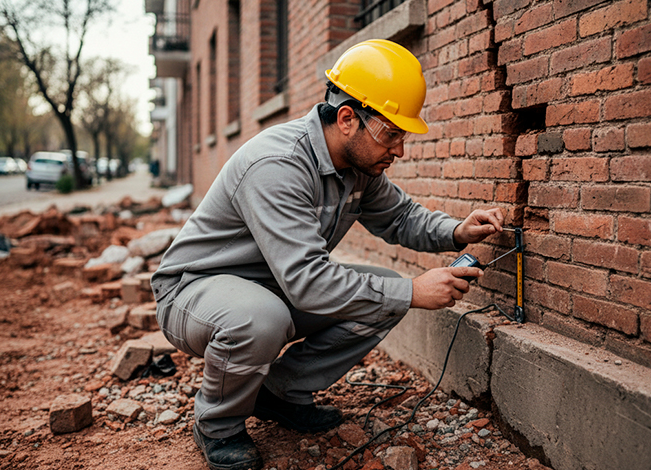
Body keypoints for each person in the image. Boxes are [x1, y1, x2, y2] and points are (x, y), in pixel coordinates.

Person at [151, 39, 504, 470]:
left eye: (403, 136)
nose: (399, 150)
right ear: (347, 118)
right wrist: (411, 290)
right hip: (194, 291)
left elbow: (401, 217)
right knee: (265, 318)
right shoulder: (278, 164)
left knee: (379, 298)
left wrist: (456, 231)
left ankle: (279, 392)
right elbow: (309, 283)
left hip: (271, 288)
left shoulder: (359, 167)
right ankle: (218, 426)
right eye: (391, 134)